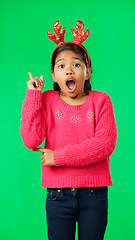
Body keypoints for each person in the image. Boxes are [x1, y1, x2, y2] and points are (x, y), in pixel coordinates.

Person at [20, 20, 118, 240]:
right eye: (61, 66)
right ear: (54, 75)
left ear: (88, 71)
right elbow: (31, 139)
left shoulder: (101, 100)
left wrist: (59, 157)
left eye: (76, 64)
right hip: (57, 196)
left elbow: (104, 144)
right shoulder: (46, 100)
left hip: (94, 194)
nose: (69, 70)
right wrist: (33, 96)